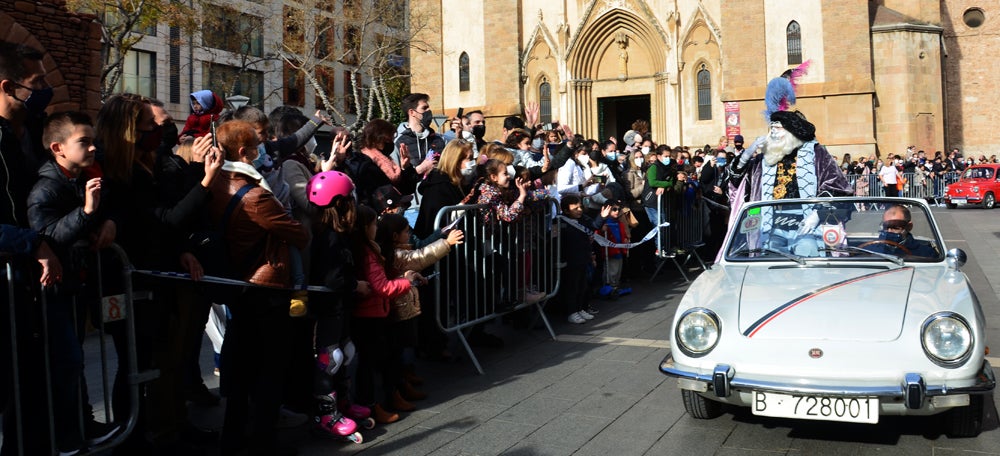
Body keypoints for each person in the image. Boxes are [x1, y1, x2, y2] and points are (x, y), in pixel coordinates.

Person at [206, 119, 309, 456]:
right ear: (243, 152)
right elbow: (298, 233)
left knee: (241, 369)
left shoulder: (218, 183)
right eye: (257, 144)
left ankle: (233, 437)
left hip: (242, 286)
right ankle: (264, 439)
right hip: (266, 286)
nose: (262, 149)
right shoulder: (254, 195)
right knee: (268, 370)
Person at [26, 111, 120, 454]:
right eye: (84, 142)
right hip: (53, 290)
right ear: (58, 148)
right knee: (64, 365)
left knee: (73, 361)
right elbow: (46, 235)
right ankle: (66, 438)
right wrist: (86, 212)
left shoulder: (78, 178)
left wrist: (106, 219)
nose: (94, 147)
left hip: (73, 285)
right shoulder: (47, 186)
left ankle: (80, 427)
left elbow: (104, 210)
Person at [351, 205, 424, 419]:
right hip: (369, 314)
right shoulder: (367, 253)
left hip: (374, 312)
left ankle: (387, 397)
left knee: (382, 358)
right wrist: (406, 282)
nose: (376, 227)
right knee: (370, 362)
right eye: (374, 224)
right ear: (365, 228)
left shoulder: (370, 249)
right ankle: (371, 405)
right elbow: (381, 287)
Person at [559, 195, 609, 323]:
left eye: (580, 207)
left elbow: (594, 225)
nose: (579, 210)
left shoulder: (584, 219)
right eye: (575, 208)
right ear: (565, 210)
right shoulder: (560, 222)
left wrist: (602, 216)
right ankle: (572, 312)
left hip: (583, 257)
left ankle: (581, 308)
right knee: (572, 286)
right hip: (570, 259)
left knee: (583, 285)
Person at [865, 205, 938, 258]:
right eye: (886, 226)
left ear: (909, 226)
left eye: (896, 227)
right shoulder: (869, 250)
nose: (889, 231)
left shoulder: (926, 253)